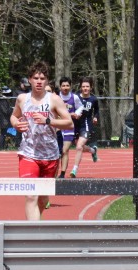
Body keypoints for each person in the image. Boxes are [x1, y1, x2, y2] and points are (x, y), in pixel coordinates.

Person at [10, 61, 74, 220]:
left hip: (50, 156)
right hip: (28, 154)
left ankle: (35, 222)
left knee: (43, 199)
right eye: (36, 78)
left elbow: (69, 123)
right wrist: (16, 124)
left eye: (42, 78)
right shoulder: (22, 99)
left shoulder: (54, 99)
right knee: (31, 196)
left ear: (47, 81)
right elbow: (14, 116)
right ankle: (33, 232)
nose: (39, 81)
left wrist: (48, 121)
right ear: (30, 80)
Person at [69, 77, 99, 177]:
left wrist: (95, 117)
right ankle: (93, 150)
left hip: (86, 125)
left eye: (87, 86)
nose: (85, 88)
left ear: (91, 87)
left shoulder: (93, 99)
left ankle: (74, 170)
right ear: (80, 87)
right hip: (75, 125)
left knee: (79, 147)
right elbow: (70, 108)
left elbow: (97, 111)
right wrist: (72, 114)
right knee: (79, 146)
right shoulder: (76, 97)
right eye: (83, 86)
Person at [55, 77, 78, 177]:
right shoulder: (56, 97)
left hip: (69, 127)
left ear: (70, 86)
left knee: (65, 150)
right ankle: (54, 173)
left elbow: (80, 107)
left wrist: (76, 113)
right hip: (58, 127)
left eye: (67, 85)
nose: (65, 87)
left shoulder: (74, 97)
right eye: (63, 85)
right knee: (57, 151)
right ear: (60, 87)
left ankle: (62, 173)